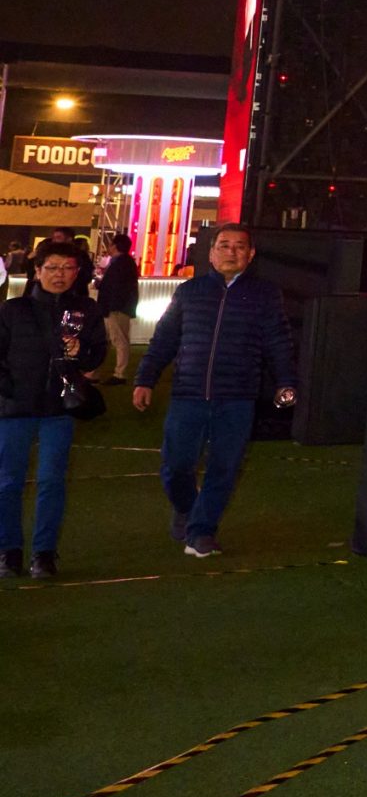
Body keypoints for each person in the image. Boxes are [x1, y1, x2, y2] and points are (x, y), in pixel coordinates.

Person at [133, 223, 297, 559]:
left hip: (237, 396)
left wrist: (286, 381)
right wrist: (145, 379)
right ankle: (186, 508)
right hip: (188, 394)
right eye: (224, 245)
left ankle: (202, 531)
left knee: (224, 467)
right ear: (210, 253)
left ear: (250, 254)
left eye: (239, 246)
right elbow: (164, 338)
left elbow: (278, 341)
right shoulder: (189, 292)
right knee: (176, 465)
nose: (231, 252)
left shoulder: (265, 295)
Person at [1, 240, 107, 578]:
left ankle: (44, 553)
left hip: (59, 408)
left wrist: (81, 352)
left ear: (77, 273)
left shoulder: (87, 310)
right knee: (7, 482)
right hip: (14, 408)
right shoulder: (12, 309)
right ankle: (8, 551)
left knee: (51, 481)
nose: (59, 274)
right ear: (37, 271)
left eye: (67, 268)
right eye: (52, 268)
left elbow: (97, 354)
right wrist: (8, 390)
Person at [94, 232, 140, 385]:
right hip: (116, 307)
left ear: (115, 246)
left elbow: (115, 287)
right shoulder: (124, 262)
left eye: (111, 244)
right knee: (112, 339)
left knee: (119, 340)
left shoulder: (121, 263)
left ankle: (120, 374)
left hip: (116, 308)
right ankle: (100, 372)